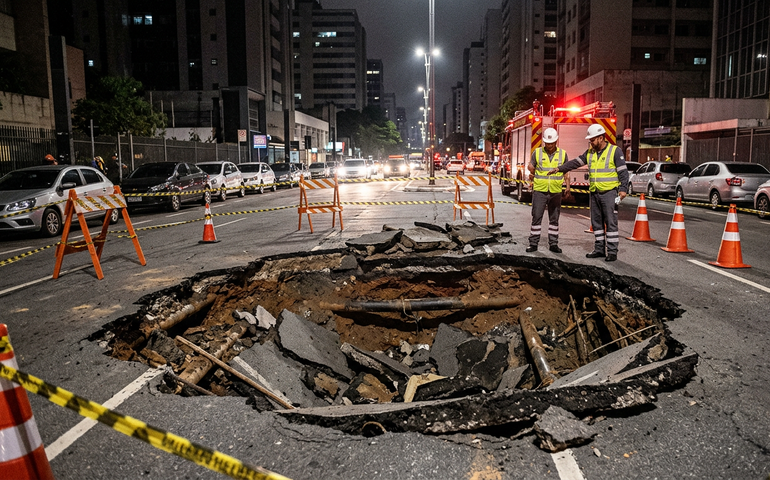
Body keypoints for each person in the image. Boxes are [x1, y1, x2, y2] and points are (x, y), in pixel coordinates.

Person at [547, 124, 629, 262]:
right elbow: (575, 163)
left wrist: (623, 189)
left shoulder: (615, 151)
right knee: (596, 222)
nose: (590, 142)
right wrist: (559, 169)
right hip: (595, 192)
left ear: (601, 138)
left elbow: (623, 172)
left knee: (611, 222)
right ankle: (599, 249)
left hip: (609, 193)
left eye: (592, 140)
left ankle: (612, 252)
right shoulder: (590, 153)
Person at [526, 128, 569, 253]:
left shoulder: (563, 154)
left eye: (551, 143)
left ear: (556, 141)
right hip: (540, 190)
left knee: (554, 219)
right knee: (536, 217)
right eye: (547, 143)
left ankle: (553, 244)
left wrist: (568, 187)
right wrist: (531, 171)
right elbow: (531, 167)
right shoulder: (537, 152)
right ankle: (533, 244)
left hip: (555, 191)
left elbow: (566, 171)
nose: (549, 145)